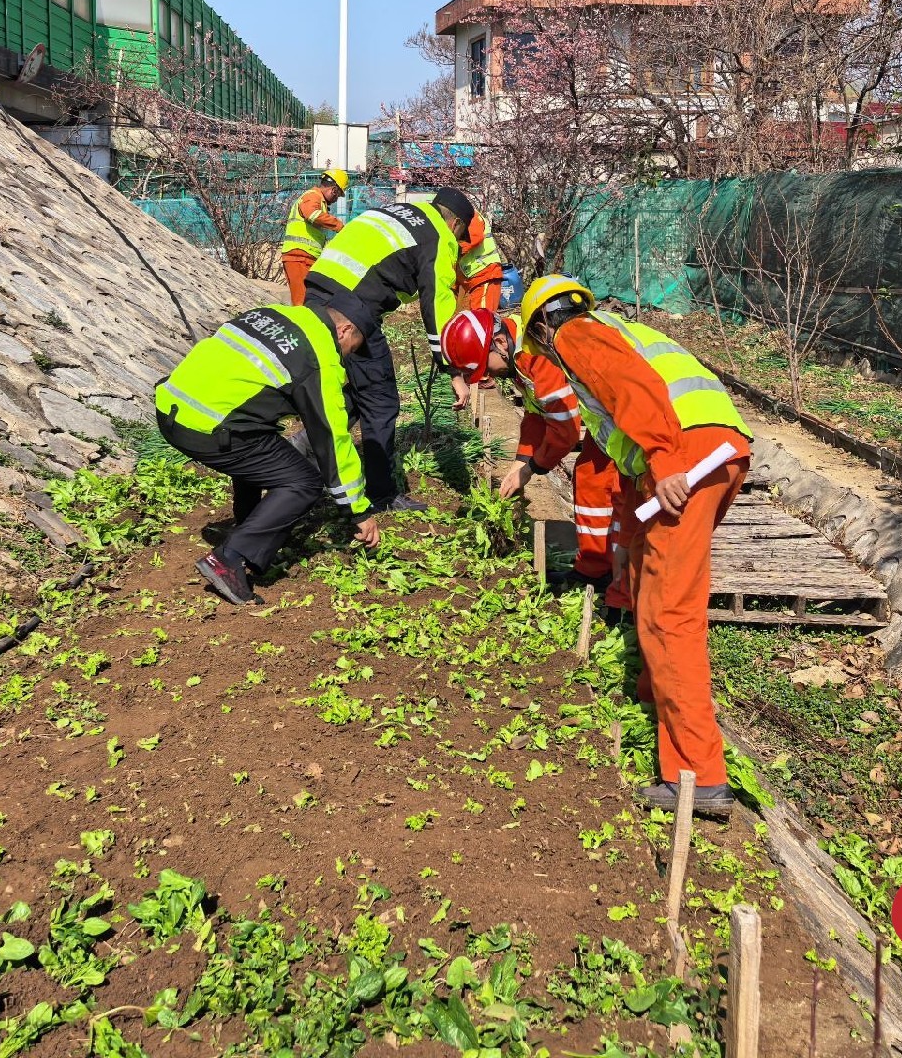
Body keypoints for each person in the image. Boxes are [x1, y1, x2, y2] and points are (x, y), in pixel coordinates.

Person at [517, 275, 752, 818]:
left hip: (685, 457)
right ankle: (654, 700)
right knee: (652, 586)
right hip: (715, 450)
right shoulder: (618, 326)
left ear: (542, 328)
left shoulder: (575, 334)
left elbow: (634, 389)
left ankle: (699, 776)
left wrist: (666, 462)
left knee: (670, 614)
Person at [154, 296, 379, 606]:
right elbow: (332, 438)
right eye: (353, 347)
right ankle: (229, 557)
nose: (347, 356)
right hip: (207, 427)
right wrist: (359, 512)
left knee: (262, 445)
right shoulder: (319, 355)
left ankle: (245, 527)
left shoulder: (274, 314)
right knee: (304, 482)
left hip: (172, 406)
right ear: (344, 330)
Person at [303, 188, 478, 513]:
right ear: (455, 224)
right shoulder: (439, 237)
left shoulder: (399, 213)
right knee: (381, 402)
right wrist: (454, 372)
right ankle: (381, 495)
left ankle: (302, 447)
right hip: (351, 308)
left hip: (318, 288)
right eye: (462, 235)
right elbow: (436, 309)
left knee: (358, 391)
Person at [438, 307, 622, 593]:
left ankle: (606, 576)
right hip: (613, 407)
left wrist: (532, 467)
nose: (488, 375)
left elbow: (566, 430)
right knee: (589, 476)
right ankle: (596, 569)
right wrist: (520, 462)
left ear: (499, 343)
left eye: (486, 367)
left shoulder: (535, 355)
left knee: (596, 478)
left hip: (626, 406)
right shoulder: (516, 354)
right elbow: (537, 414)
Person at [279, 169, 348, 304]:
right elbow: (312, 214)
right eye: (338, 195)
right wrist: (339, 226)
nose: (336, 200)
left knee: (309, 301)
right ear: (334, 190)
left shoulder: (319, 201)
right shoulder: (313, 196)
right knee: (303, 302)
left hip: (305, 257)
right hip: (299, 256)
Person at [457, 212, 504, 315]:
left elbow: (473, 238)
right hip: (472, 277)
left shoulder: (470, 215)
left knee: (481, 320)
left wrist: (452, 250)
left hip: (485, 273)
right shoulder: (458, 218)